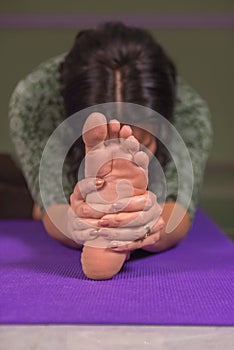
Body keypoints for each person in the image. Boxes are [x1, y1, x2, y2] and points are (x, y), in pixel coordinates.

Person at [8, 22, 212, 279]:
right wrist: (75, 224)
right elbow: (53, 202)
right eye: (105, 138)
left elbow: (179, 209)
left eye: (141, 140)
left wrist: (145, 228)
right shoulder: (36, 100)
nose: (119, 151)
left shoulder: (189, 112)